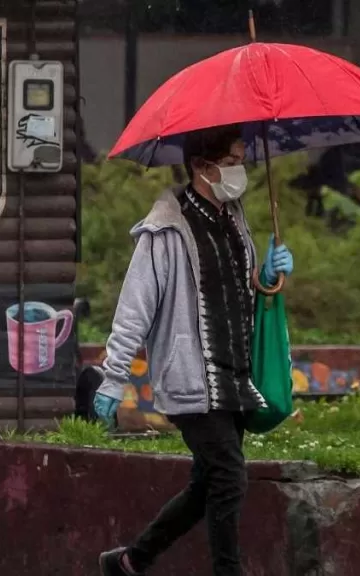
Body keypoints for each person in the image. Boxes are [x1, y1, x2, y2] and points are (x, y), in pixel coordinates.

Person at [92, 124, 295, 576]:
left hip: (234, 373)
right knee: (229, 477)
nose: (240, 171)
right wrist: (113, 377)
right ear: (202, 167)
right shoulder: (164, 231)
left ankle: (129, 562)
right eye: (231, 163)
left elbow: (237, 290)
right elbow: (134, 309)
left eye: (241, 161)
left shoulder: (232, 216)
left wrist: (267, 273)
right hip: (191, 377)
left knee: (207, 483)